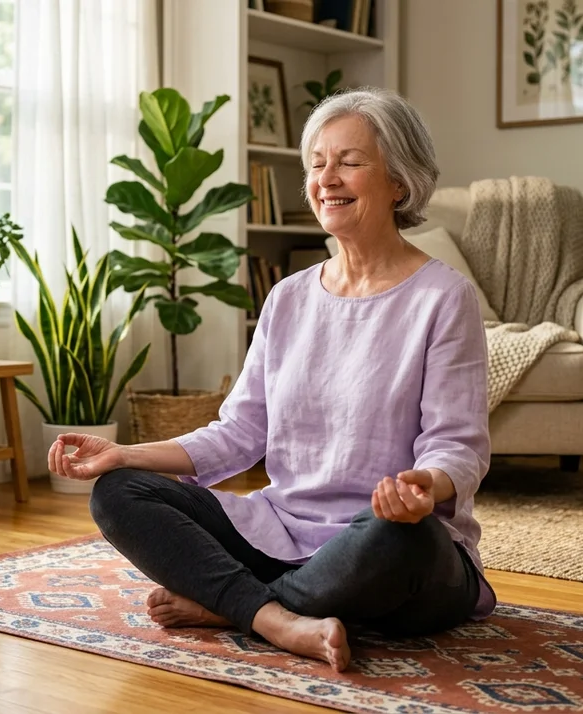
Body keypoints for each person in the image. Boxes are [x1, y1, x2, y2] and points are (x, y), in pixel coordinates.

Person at [47, 87, 495, 673]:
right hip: (282, 532)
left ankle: (235, 605)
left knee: (398, 539)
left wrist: (424, 487)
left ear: (399, 182)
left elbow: (457, 445)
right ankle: (278, 617)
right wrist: (125, 452)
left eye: (350, 162)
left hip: (390, 543)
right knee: (120, 490)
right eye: (317, 164)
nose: (326, 178)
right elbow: (239, 432)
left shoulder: (444, 297)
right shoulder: (287, 298)